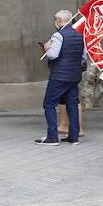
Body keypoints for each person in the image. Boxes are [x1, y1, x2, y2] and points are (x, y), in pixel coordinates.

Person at [36, 10, 83, 146]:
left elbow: (53, 55)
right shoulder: (79, 35)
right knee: (72, 105)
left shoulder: (58, 35)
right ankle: (73, 137)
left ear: (58, 21)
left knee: (49, 104)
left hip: (59, 76)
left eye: (54, 21)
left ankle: (52, 137)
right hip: (74, 75)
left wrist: (46, 49)